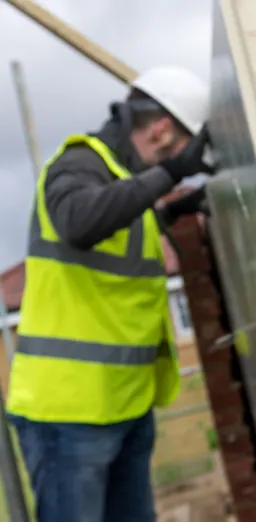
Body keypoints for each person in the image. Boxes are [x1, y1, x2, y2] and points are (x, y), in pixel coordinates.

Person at [6, 65, 213, 522]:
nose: (175, 168)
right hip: (69, 415)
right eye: (181, 152)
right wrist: (172, 173)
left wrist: (173, 209)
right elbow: (80, 222)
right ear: (160, 131)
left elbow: (117, 238)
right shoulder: (80, 162)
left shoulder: (121, 179)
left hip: (123, 404)